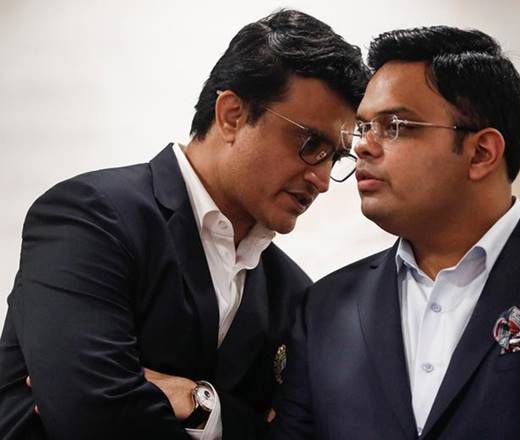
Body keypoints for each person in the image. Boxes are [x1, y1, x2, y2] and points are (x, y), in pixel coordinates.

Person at [270, 26, 520, 440]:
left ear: (481, 153)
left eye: (394, 125)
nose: (364, 146)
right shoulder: (323, 308)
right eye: (363, 128)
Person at [0, 9, 369, 440]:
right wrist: (227, 417)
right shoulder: (93, 217)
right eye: (310, 143)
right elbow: (88, 414)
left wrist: (198, 403)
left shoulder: (292, 292)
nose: (322, 179)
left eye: (335, 157)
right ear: (232, 114)